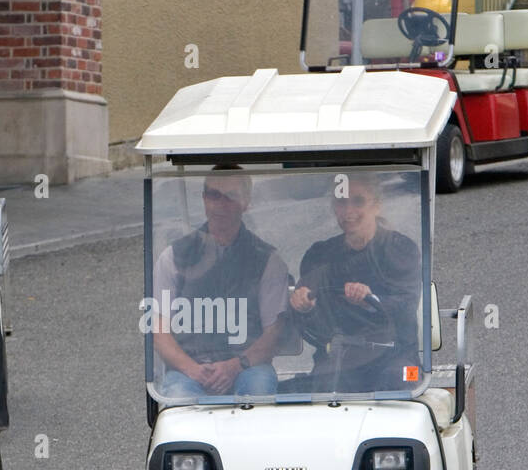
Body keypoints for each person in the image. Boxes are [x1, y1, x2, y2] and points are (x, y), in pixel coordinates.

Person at [152, 167, 289, 398]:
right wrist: (193, 370)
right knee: (179, 398)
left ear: (246, 202)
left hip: (247, 367)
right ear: (204, 199)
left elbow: (273, 334)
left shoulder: (268, 260)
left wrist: (235, 366)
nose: (220, 204)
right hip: (190, 368)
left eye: (231, 196)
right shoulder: (173, 257)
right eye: (214, 195)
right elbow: (158, 331)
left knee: (258, 390)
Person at [288, 172, 420, 392]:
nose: (348, 211)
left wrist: (371, 300)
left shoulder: (400, 249)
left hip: (396, 356)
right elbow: (315, 330)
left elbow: (406, 308)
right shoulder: (320, 256)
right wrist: (305, 308)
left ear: (376, 206)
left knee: (401, 381)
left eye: (358, 201)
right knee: (321, 387)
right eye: (341, 202)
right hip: (341, 358)